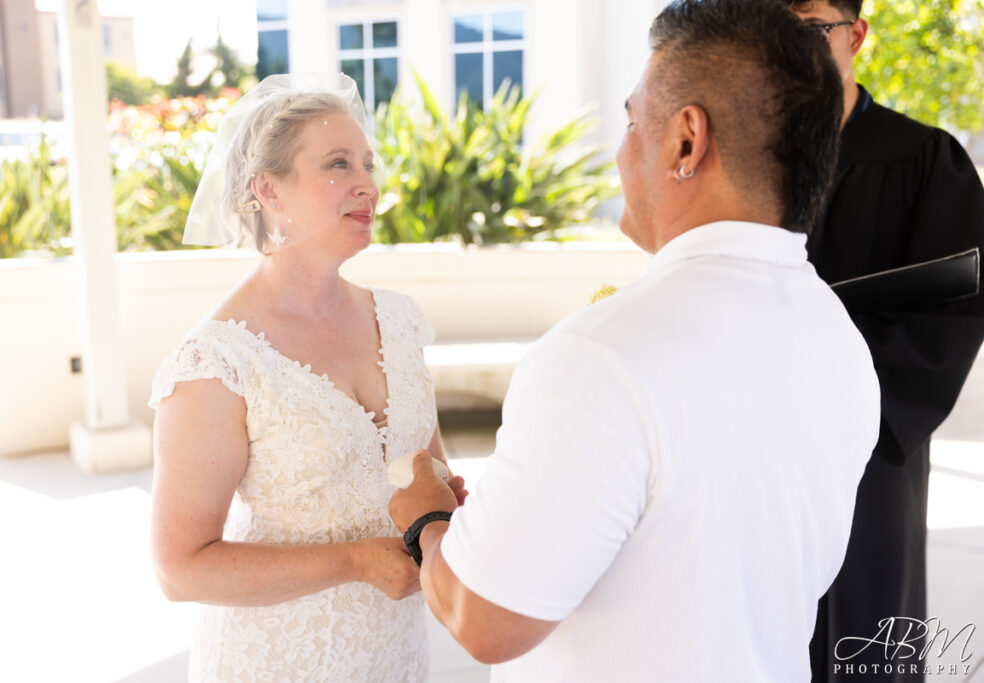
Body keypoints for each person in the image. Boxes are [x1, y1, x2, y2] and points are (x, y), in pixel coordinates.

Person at [388, 1, 880, 680]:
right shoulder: (838, 335)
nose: (620, 151)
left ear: (686, 140)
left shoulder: (603, 357)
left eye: (629, 121)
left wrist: (427, 522)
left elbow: (484, 618)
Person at [147, 74, 466, 682]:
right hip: (275, 661)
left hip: (392, 656)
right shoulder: (216, 361)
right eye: (338, 164)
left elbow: (425, 463)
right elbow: (180, 568)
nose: (367, 183)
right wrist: (354, 562)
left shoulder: (397, 319)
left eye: (368, 164)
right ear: (269, 190)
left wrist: (445, 499)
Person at [783, 2, 984, 681]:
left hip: (870, 450)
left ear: (856, 36)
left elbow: (952, 313)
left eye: (810, 28)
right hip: (761, 445)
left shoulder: (926, 159)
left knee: (865, 635)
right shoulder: (749, 157)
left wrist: (834, 385)